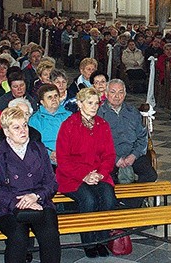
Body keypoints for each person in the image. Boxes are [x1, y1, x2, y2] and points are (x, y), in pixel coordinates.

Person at [0, 107, 61, 263]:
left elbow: (51, 182)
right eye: (16, 127)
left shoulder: (38, 148)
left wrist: (36, 196)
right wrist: (18, 203)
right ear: (6, 132)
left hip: (40, 202)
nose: (23, 130)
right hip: (8, 207)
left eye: (25, 125)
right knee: (18, 236)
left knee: (50, 234)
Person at [56, 87, 117, 258]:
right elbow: (63, 160)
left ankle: (102, 240)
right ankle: (89, 243)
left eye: (96, 103)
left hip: (99, 174)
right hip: (72, 176)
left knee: (108, 198)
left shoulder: (102, 124)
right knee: (88, 200)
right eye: (90, 103)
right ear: (80, 104)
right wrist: (84, 175)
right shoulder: (68, 125)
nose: (94, 106)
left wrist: (100, 173)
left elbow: (109, 155)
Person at [97, 79, 158, 206]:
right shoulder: (99, 114)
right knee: (106, 179)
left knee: (150, 174)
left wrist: (133, 155)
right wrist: (116, 159)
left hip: (132, 154)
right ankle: (114, 206)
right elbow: (97, 144)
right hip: (109, 157)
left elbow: (143, 137)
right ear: (106, 94)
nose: (117, 96)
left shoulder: (132, 112)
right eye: (113, 92)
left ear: (124, 94)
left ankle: (131, 205)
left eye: (120, 92)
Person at [28, 84, 72, 165]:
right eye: (49, 97)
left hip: (70, 159)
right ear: (42, 102)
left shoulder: (70, 116)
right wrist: (49, 153)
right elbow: (32, 145)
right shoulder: (34, 120)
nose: (54, 99)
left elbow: (78, 139)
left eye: (56, 96)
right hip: (46, 162)